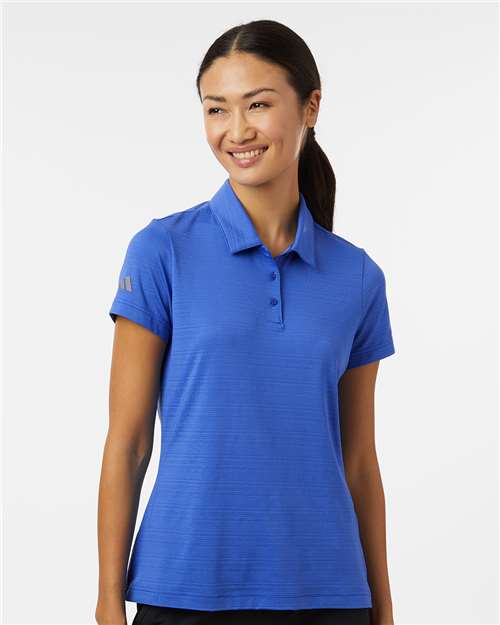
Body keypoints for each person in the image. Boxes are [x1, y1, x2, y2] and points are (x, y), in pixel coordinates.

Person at [95, 19, 396, 625]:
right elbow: (128, 444)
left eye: (258, 104)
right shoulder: (162, 251)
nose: (237, 131)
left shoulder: (358, 277)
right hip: (184, 589)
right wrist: (107, 602)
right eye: (216, 109)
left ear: (311, 107)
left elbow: (360, 461)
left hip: (329, 595)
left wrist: (383, 608)